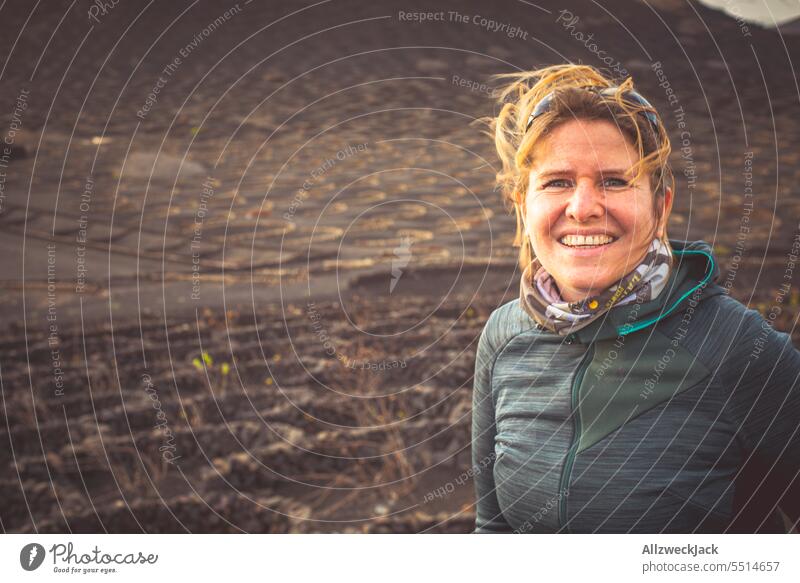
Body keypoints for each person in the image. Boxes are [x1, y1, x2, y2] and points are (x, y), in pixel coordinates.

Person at [471, 63, 800, 533]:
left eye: (614, 181)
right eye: (558, 181)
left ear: (660, 207)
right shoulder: (503, 337)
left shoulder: (737, 347)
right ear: (523, 207)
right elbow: (494, 532)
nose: (583, 208)